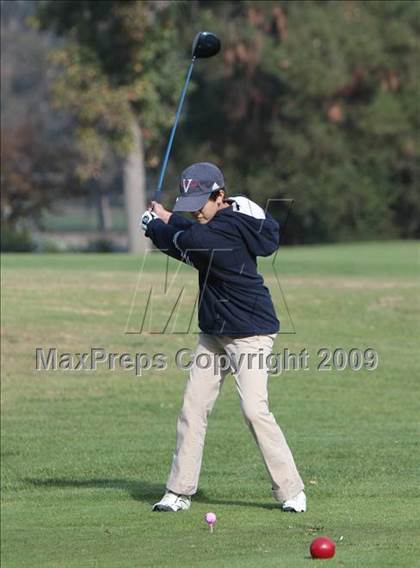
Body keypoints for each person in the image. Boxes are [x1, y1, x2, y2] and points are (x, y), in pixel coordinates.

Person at [140, 162, 306, 513]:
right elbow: (190, 228)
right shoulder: (229, 216)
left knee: (253, 410)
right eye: (191, 203)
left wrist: (154, 226)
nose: (196, 210)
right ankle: (179, 491)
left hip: (251, 333)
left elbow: (184, 241)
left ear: (220, 196)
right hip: (215, 332)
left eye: (202, 202)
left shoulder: (219, 235)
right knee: (193, 407)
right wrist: (168, 216)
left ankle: (291, 490)